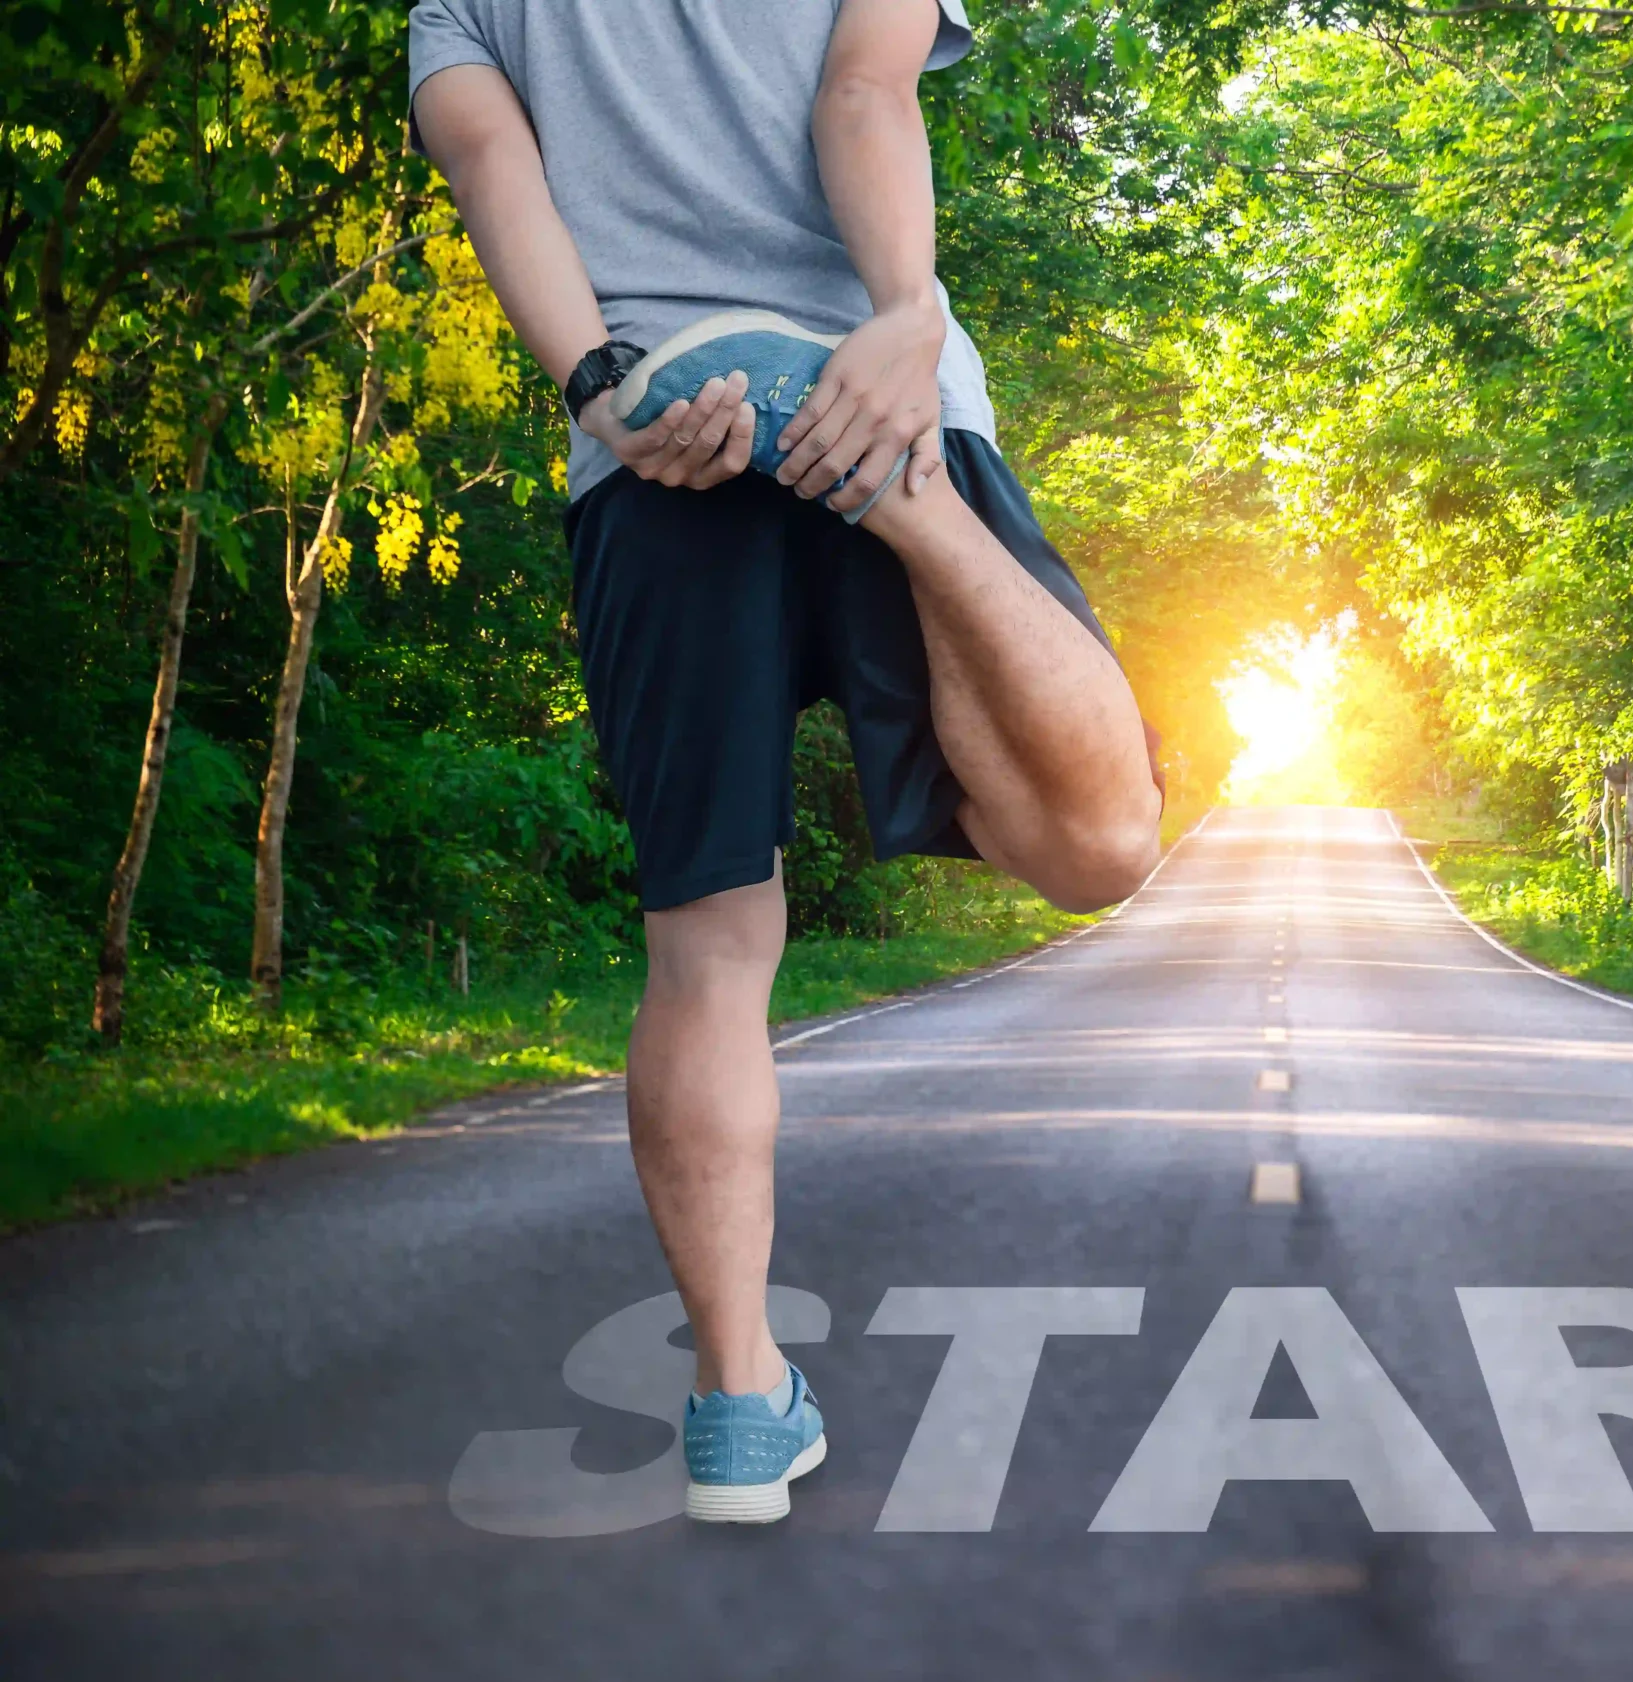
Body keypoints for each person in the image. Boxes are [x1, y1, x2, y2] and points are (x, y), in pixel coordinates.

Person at [409, 0, 1162, 1523]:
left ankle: (739, 1407)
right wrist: (905, 319)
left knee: (706, 958)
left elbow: (495, 171)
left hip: (658, 442)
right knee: (1096, 848)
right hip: (873, 389)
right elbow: (863, 94)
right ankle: (905, 503)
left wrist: (599, 387)